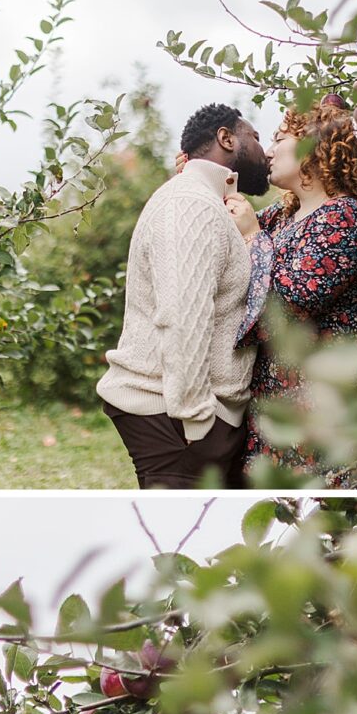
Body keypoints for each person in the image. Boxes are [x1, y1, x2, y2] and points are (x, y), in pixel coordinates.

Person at [96, 102, 271, 486]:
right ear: (226, 138)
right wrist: (196, 421)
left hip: (190, 419)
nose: (266, 151)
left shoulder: (204, 201)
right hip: (176, 421)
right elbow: (182, 318)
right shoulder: (190, 204)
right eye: (256, 138)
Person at [237, 102, 357, 479]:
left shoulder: (346, 218)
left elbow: (285, 307)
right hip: (278, 406)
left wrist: (252, 238)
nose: (269, 150)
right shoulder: (281, 216)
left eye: (278, 138)